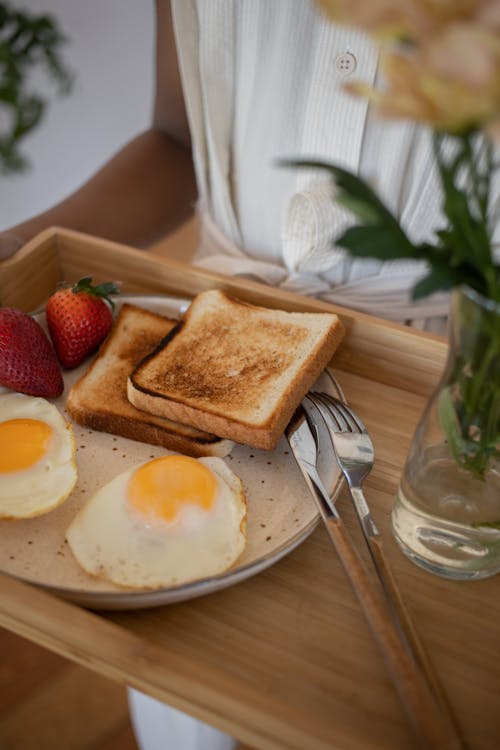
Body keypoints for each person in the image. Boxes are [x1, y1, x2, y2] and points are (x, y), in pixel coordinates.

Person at [0, 2, 461, 748]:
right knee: (184, 708)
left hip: (435, 378)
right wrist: (20, 242)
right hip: (202, 322)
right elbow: (175, 138)